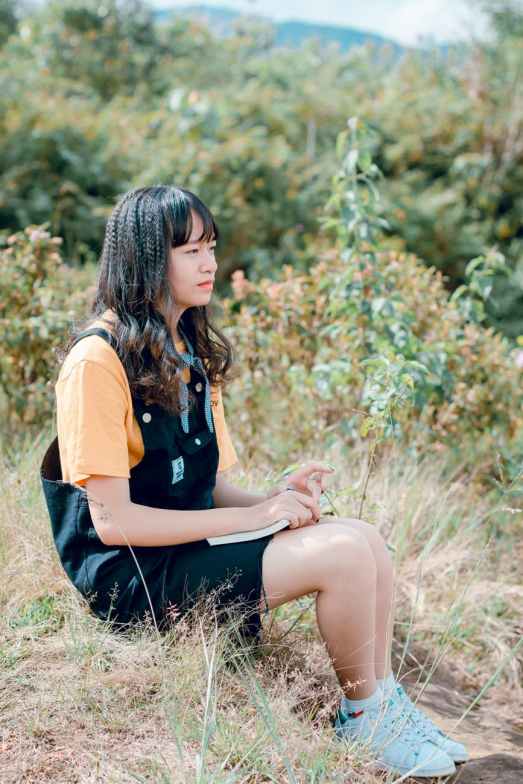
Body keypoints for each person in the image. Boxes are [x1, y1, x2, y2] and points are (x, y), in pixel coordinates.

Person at [40, 185, 468, 778]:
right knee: (343, 555)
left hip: (184, 552)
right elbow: (113, 524)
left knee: (363, 537)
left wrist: (276, 500)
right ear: (144, 257)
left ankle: (384, 702)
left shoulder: (186, 347)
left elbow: (208, 488)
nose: (210, 263)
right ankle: (363, 716)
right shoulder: (97, 360)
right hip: (132, 580)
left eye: (210, 245)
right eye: (189, 250)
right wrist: (250, 520)